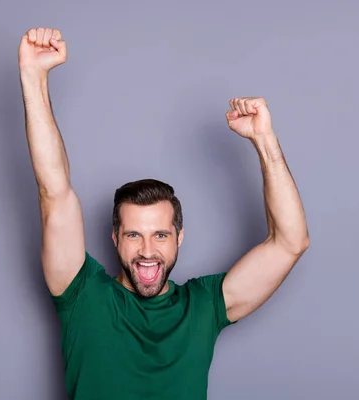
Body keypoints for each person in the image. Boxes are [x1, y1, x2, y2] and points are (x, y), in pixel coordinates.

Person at [18, 26, 310, 400]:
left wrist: (265, 140)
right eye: (133, 235)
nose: (147, 251)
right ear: (115, 239)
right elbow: (54, 192)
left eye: (160, 235)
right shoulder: (83, 296)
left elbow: (290, 242)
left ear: (179, 237)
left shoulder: (203, 307)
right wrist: (33, 76)